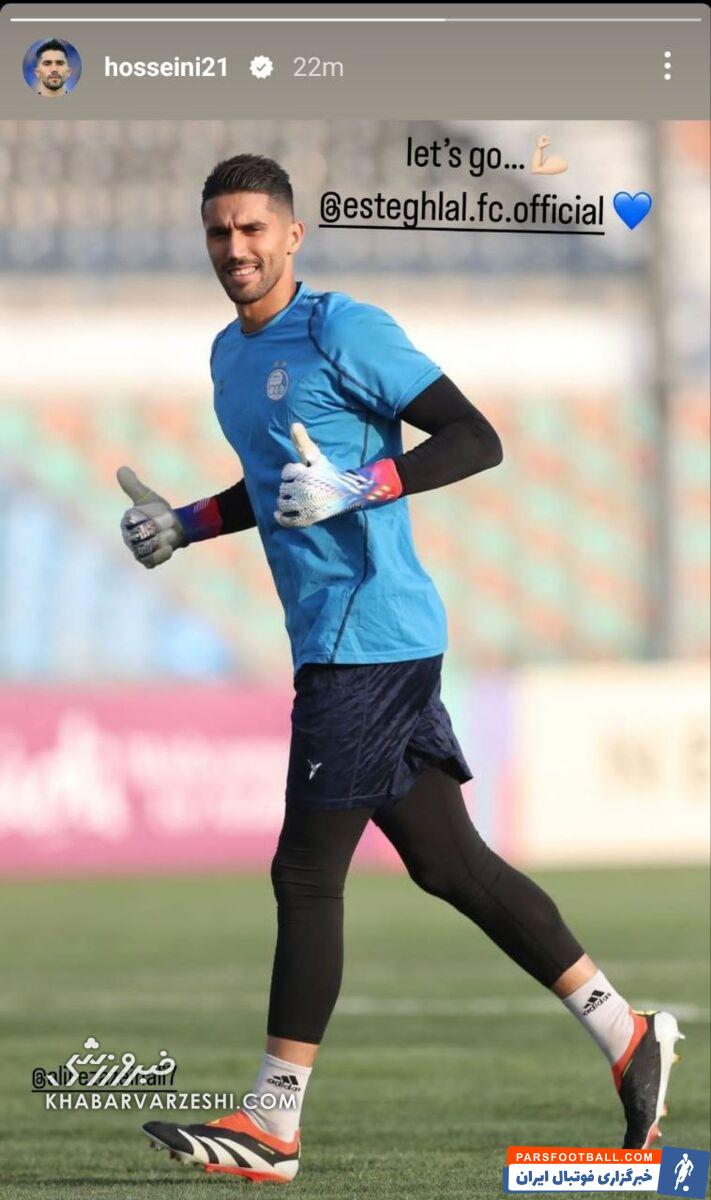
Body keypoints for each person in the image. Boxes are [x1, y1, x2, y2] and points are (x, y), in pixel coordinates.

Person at [117, 153, 683, 1184]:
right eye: (219, 232)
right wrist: (185, 524)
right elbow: (272, 485)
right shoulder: (228, 355)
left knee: (305, 874)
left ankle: (272, 1124)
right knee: (449, 863)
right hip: (351, 639)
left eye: (252, 228)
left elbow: (475, 437)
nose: (235, 248)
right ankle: (625, 1033)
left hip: (365, 640)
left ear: (292, 236)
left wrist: (363, 486)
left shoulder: (344, 328)